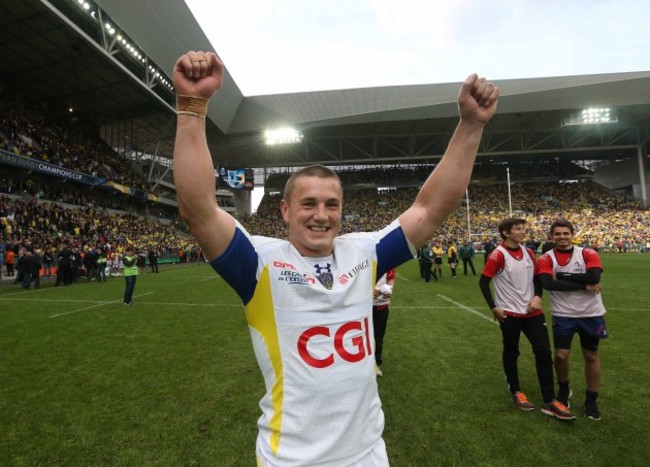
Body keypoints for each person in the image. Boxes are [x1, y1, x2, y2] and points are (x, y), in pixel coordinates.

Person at [172, 49, 499, 466]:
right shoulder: (258, 264)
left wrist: (470, 126)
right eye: (308, 204)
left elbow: (430, 209)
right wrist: (192, 107)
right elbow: (198, 208)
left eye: (332, 204)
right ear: (286, 211)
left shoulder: (366, 252)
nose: (321, 215)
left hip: (366, 454)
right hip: (290, 457)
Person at [479, 218, 575, 420]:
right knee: (512, 351)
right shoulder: (498, 255)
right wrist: (494, 307)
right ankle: (516, 390)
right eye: (518, 229)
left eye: (523, 228)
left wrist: (538, 297)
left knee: (543, 352)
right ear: (506, 233)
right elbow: (483, 282)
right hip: (509, 314)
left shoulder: (529, 252)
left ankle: (549, 399)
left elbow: (537, 279)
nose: (523, 232)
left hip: (533, 312)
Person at [538, 218, 607, 421]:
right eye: (557, 234)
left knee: (591, 355)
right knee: (560, 355)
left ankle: (591, 399)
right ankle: (564, 388)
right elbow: (549, 284)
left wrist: (564, 276)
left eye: (565, 233)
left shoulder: (587, 253)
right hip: (563, 313)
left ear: (572, 234)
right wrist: (583, 285)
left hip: (591, 313)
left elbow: (594, 277)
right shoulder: (546, 258)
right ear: (552, 237)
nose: (561, 237)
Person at [373, 268, 396, 377]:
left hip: (381, 305)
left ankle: (376, 362)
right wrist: (369, 290)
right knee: (362, 336)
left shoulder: (386, 256)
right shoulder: (360, 256)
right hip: (363, 305)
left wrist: (389, 290)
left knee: (378, 335)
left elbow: (391, 278)